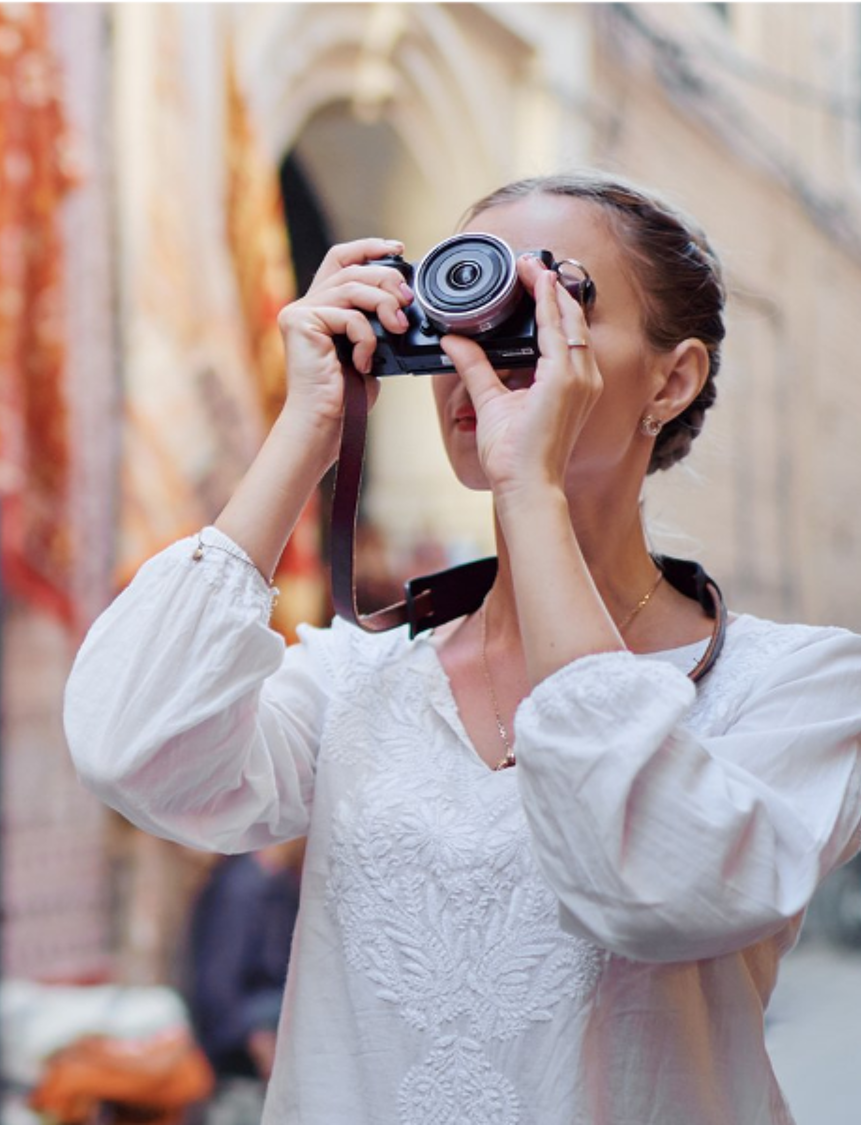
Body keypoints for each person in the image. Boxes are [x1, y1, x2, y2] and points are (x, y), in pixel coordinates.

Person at [63, 170, 861, 1125]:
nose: (480, 347)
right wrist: (306, 427)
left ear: (672, 378)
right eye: (462, 302)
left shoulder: (801, 686)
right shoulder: (356, 678)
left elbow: (652, 883)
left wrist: (533, 495)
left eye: (551, 301)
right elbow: (130, 747)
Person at [181, 839, 307, 1125]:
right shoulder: (243, 889)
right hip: (243, 1074)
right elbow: (217, 987)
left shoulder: (278, 883)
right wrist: (258, 1040)